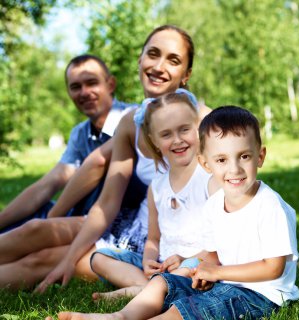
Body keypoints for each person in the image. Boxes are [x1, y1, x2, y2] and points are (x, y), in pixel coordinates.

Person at [0, 25, 210, 291]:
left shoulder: (206, 122)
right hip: (131, 225)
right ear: (140, 59)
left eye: (173, 60)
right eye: (153, 54)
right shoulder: (130, 123)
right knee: (35, 230)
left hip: (166, 245)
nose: (158, 66)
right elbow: (107, 203)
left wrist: (68, 259)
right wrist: (71, 254)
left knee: (41, 260)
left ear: (186, 74)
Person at [52, 106, 299, 320]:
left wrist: (217, 272)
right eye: (222, 160)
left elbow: (273, 268)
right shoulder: (215, 204)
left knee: (186, 310)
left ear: (260, 157)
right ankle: (120, 316)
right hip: (223, 282)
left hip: (260, 294)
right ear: (206, 164)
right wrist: (190, 264)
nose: (234, 169)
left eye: (244, 156)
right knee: (163, 283)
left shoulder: (269, 205)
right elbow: (212, 256)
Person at [90, 90, 219, 300]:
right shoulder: (157, 186)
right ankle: (150, 288)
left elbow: (222, 241)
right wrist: (148, 260)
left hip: (199, 260)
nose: (177, 140)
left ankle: (149, 291)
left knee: (189, 269)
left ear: (198, 128)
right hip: (164, 263)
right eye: (166, 134)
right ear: (155, 140)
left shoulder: (209, 176)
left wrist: (185, 258)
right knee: (99, 258)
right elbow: (153, 238)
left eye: (184, 130)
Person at [0, 54, 137, 234]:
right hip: (79, 215)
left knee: (26, 234)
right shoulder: (80, 133)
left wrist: (48, 222)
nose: (84, 92)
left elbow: (99, 163)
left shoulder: (133, 119)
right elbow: (48, 184)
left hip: (116, 225)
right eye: (75, 87)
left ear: (110, 84)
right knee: (14, 225)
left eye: (92, 83)